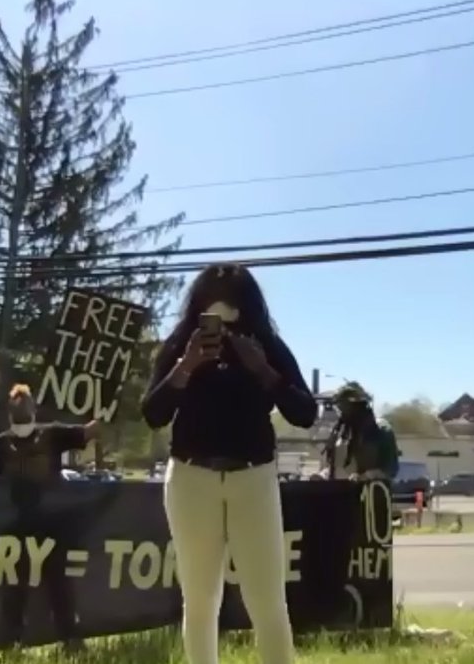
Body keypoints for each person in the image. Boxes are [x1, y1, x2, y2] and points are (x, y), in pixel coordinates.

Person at [142, 263, 318, 664]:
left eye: (234, 305)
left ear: (248, 307)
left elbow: (305, 413)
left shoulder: (267, 345)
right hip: (191, 477)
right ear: (198, 308)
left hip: (252, 478)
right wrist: (185, 367)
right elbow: (153, 413)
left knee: (267, 600)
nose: (223, 316)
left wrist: (263, 370)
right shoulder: (182, 344)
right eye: (212, 305)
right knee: (200, 600)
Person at [0, 383, 99, 650]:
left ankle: (70, 638)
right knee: (14, 586)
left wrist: (101, 408)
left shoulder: (53, 435)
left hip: (51, 526)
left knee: (59, 584)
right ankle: (10, 640)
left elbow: (89, 432)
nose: (21, 405)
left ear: (33, 407)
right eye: (16, 401)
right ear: (10, 410)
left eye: (24, 401)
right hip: (16, 528)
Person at [327, 381, 399, 482]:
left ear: (359, 406)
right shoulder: (341, 433)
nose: (342, 412)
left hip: (373, 493)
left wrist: (367, 476)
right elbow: (337, 467)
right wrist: (322, 475)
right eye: (340, 407)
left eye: (346, 406)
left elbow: (391, 469)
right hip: (341, 493)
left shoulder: (382, 430)